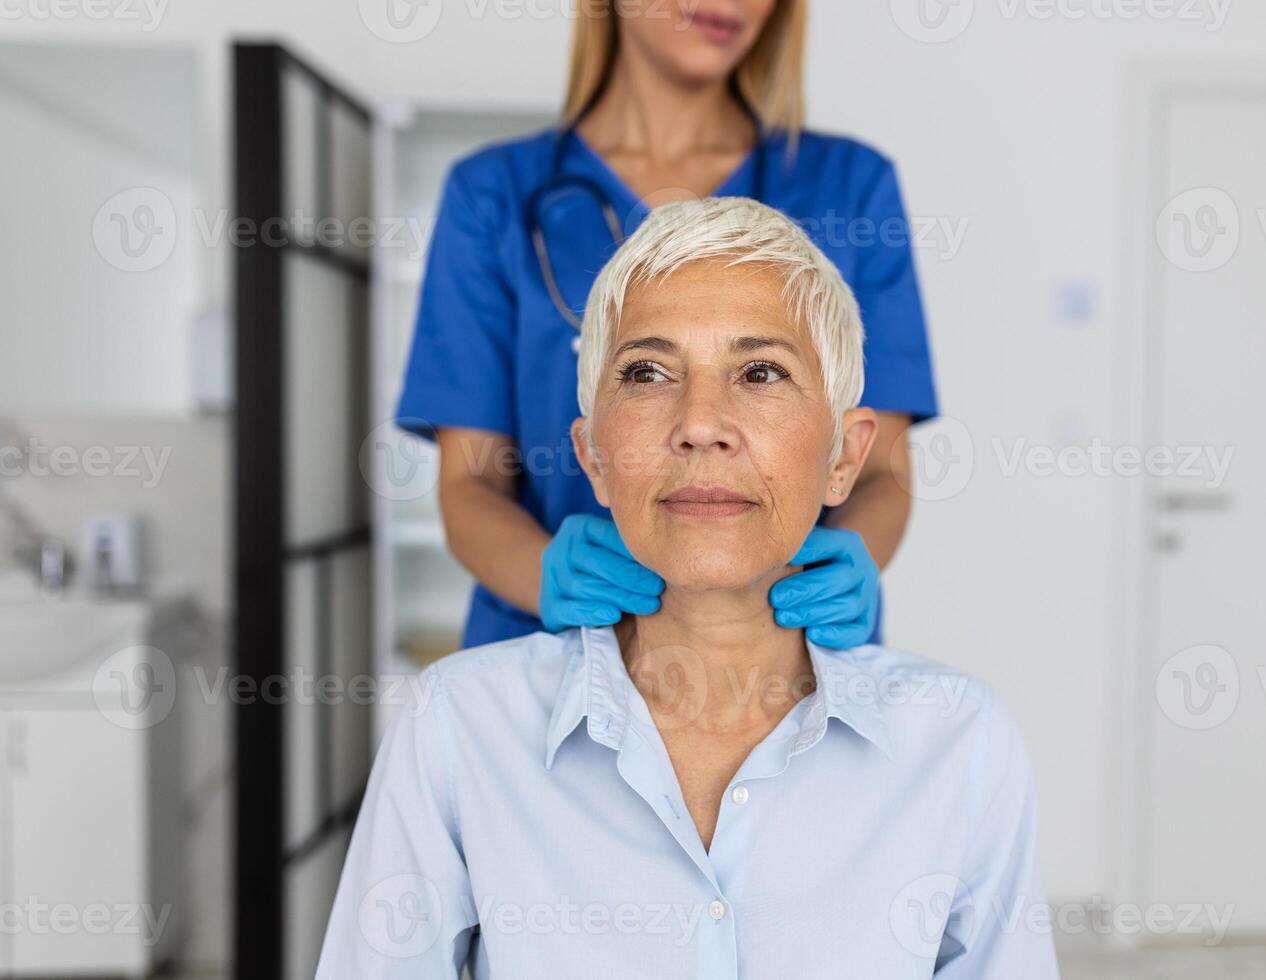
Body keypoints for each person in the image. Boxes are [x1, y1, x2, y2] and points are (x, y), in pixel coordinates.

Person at [319, 199, 1054, 978]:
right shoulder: (458, 732)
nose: (702, 422)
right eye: (647, 372)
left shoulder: (959, 744)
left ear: (846, 455)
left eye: (761, 372)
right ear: (593, 454)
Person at [397, 0, 938, 650]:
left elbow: (878, 466)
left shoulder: (849, 187)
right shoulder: (493, 194)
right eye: (645, 370)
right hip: (552, 650)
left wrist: (851, 560)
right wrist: (542, 574)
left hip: (784, 646)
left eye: (760, 371)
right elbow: (470, 481)